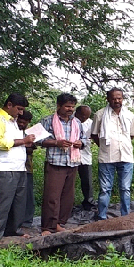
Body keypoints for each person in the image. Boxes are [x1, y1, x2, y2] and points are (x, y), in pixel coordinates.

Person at [0, 93, 35, 237]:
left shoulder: (13, 121)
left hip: (19, 167)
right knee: (1, 203)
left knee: (18, 202)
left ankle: (14, 230)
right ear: (9, 105)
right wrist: (23, 141)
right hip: (4, 168)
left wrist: (26, 142)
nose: (21, 113)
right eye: (19, 109)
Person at [39, 93, 87, 234]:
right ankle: (48, 227)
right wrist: (56, 142)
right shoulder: (47, 121)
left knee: (67, 197)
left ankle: (59, 223)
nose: (70, 109)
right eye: (67, 106)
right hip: (55, 163)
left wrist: (80, 143)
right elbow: (37, 140)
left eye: (72, 106)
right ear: (58, 106)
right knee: (52, 197)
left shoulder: (76, 122)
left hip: (72, 163)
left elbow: (84, 138)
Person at [91, 88, 134, 220]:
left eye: (119, 98)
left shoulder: (130, 115)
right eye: (114, 98)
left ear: (123, 99)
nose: (117, 101)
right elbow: (94, 135)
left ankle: (125, 218)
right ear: (108, 99)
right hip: (107, 157)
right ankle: (101, 218)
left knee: (125, 188)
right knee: (105, 189)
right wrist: (105, 147)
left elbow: (132, 135)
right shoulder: (100, 115)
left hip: (126, 157)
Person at [16, 110, 37, 229]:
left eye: (25, 123)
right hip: (13, 167)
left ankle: (27, 220)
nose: (22, 124)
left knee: (28, 195)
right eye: (20, 121)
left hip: (27, 167)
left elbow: (32, 148)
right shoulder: (12, 130)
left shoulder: (29, 133)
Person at [75, 105, 96, 211]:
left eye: (87, 116)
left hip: (85, 155)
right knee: (70, 181)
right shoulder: (72, 121)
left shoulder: (90, 123)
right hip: (71, 155)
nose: (84, 118)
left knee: (87, 180)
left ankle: (88, 202)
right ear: (77, 113)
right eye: (82, 115)